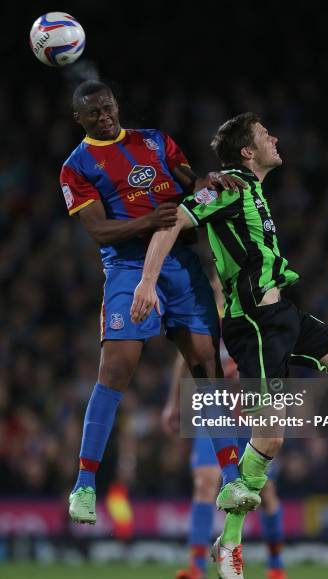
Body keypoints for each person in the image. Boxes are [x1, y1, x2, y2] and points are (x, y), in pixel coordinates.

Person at [130, 111, 328, 579]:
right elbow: (171, 224)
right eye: (265, 134)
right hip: (254, 322)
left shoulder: (253, 188)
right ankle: (229, 541)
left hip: (283, 314)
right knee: (271, 437)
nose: (275, 136)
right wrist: (146, 282)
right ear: (248, 151)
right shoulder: (225, 186)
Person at [59, 82, 260, 526]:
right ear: (80, 120)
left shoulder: (156, 141)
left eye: (108, 106)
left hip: (181, 264)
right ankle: (85, 484)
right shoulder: (76, 167)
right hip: (127, 268)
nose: (104, 116)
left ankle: (230, 477)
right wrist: (149, 221)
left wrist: (207, 181)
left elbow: (192, 185)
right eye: (93, 113)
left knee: (205, 366)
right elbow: (99, 231)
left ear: (116, 103)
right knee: (116, 369)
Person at [162, 275, 287, 579]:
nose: (220, 283)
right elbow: (186, 357)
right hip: (214, 408)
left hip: (250, 411)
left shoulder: (253, 310)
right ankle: (196, 568)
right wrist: (173, 403)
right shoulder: (206, 315)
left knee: (265, 492)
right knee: (205, 482)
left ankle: (275, 567)